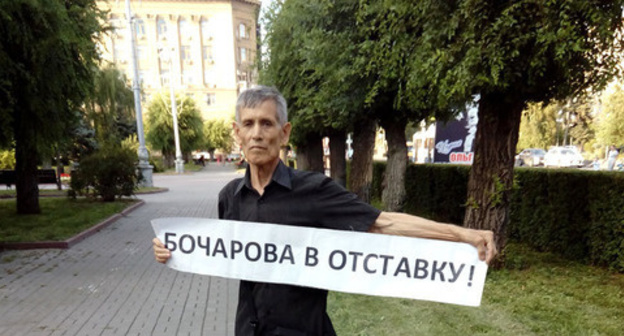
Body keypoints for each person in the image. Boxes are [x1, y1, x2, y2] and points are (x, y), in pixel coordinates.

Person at [153, 86, 497, 336]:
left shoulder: (314, 190)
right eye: (248, 124)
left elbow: (381, 223)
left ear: (284, 133)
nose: (257, 134)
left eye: (267, 123)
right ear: (237, 133)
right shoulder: (229, 196)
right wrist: (175, 249)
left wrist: (461, 234)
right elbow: (221, 254)